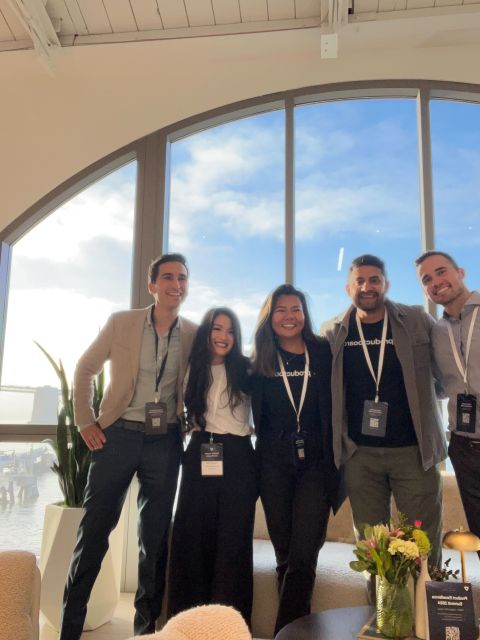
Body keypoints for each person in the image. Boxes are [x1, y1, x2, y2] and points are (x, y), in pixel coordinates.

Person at [60, 253, 197, 640]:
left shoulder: (193, 332)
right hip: (116, 436)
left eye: (182, 278)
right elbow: (85, 369)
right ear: (152, 285)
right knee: (93, 533)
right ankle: (69, 630)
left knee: (154, 540)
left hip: (165, 441)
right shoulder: (121, 322)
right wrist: (85, 421)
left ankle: (145, 632)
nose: (176, 284)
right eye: (167, 277)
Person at [320, 254, 446, 570]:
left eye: (374, 280)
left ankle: (425, 603)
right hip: (360, 456)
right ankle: (379, 604)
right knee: (372, 548)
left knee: (423, 545)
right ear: (348, 288)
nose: (367, 287)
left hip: (415, 454)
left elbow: (446, 373)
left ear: (386, 284)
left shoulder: (417, 320)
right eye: (360, 281)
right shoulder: (332, 332)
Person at [251, 283, 342, 635]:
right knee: (285, 556)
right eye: (281, 310)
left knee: (303, 555)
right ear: (269, 316)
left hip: (316, 463)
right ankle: (296, 631)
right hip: (272, 464)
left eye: (296, 309)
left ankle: (284, 634)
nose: (289, 317)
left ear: (305, 314)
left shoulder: (323, 351)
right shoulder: (259, 359)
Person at [167, 308, 257, 625]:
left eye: (230, 331)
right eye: (217, 329)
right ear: (207, 332)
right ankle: (187, 624)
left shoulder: (247, 370)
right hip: (199, 452)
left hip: (238, 456)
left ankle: (228, 626)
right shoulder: (192, 368)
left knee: (233, 542)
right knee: (191, 538)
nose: (223, 336)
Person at [416, 250, 480, 554]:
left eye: (441, 272)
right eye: (427, 279)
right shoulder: (436, 332)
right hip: (464, 446)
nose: (435, 282)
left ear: (461, 272)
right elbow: (440, 388)